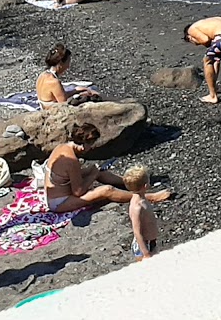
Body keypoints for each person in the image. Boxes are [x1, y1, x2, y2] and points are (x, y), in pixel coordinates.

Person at [43, 122, 171, 213]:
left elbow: (68, 176)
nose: (91, 148)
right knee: (106, 190)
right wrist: (93, 175)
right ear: (84, 144)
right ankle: (150, 197)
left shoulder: (61, 147)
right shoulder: (71, 160)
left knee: (98, 171)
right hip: (59, 202)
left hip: (59, 189)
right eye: (91, 145)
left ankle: (130, 182)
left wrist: (94, 172)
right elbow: (78, 192)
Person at [37, 43, 102, 107]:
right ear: (61, 64)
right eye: (68, 62)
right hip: (52, 112)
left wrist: (77, 90)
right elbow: (64, 106)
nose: (68, 66)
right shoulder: (55, 82)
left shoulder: (42, 75)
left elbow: (58, 95)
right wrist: (81, 96)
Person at [124, 165, 160, 259]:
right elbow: (137, 232)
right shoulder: (137, 207)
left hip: (151, 241)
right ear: (145, 186)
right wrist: (146, 253)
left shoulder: (142, 198)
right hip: (143, 245)